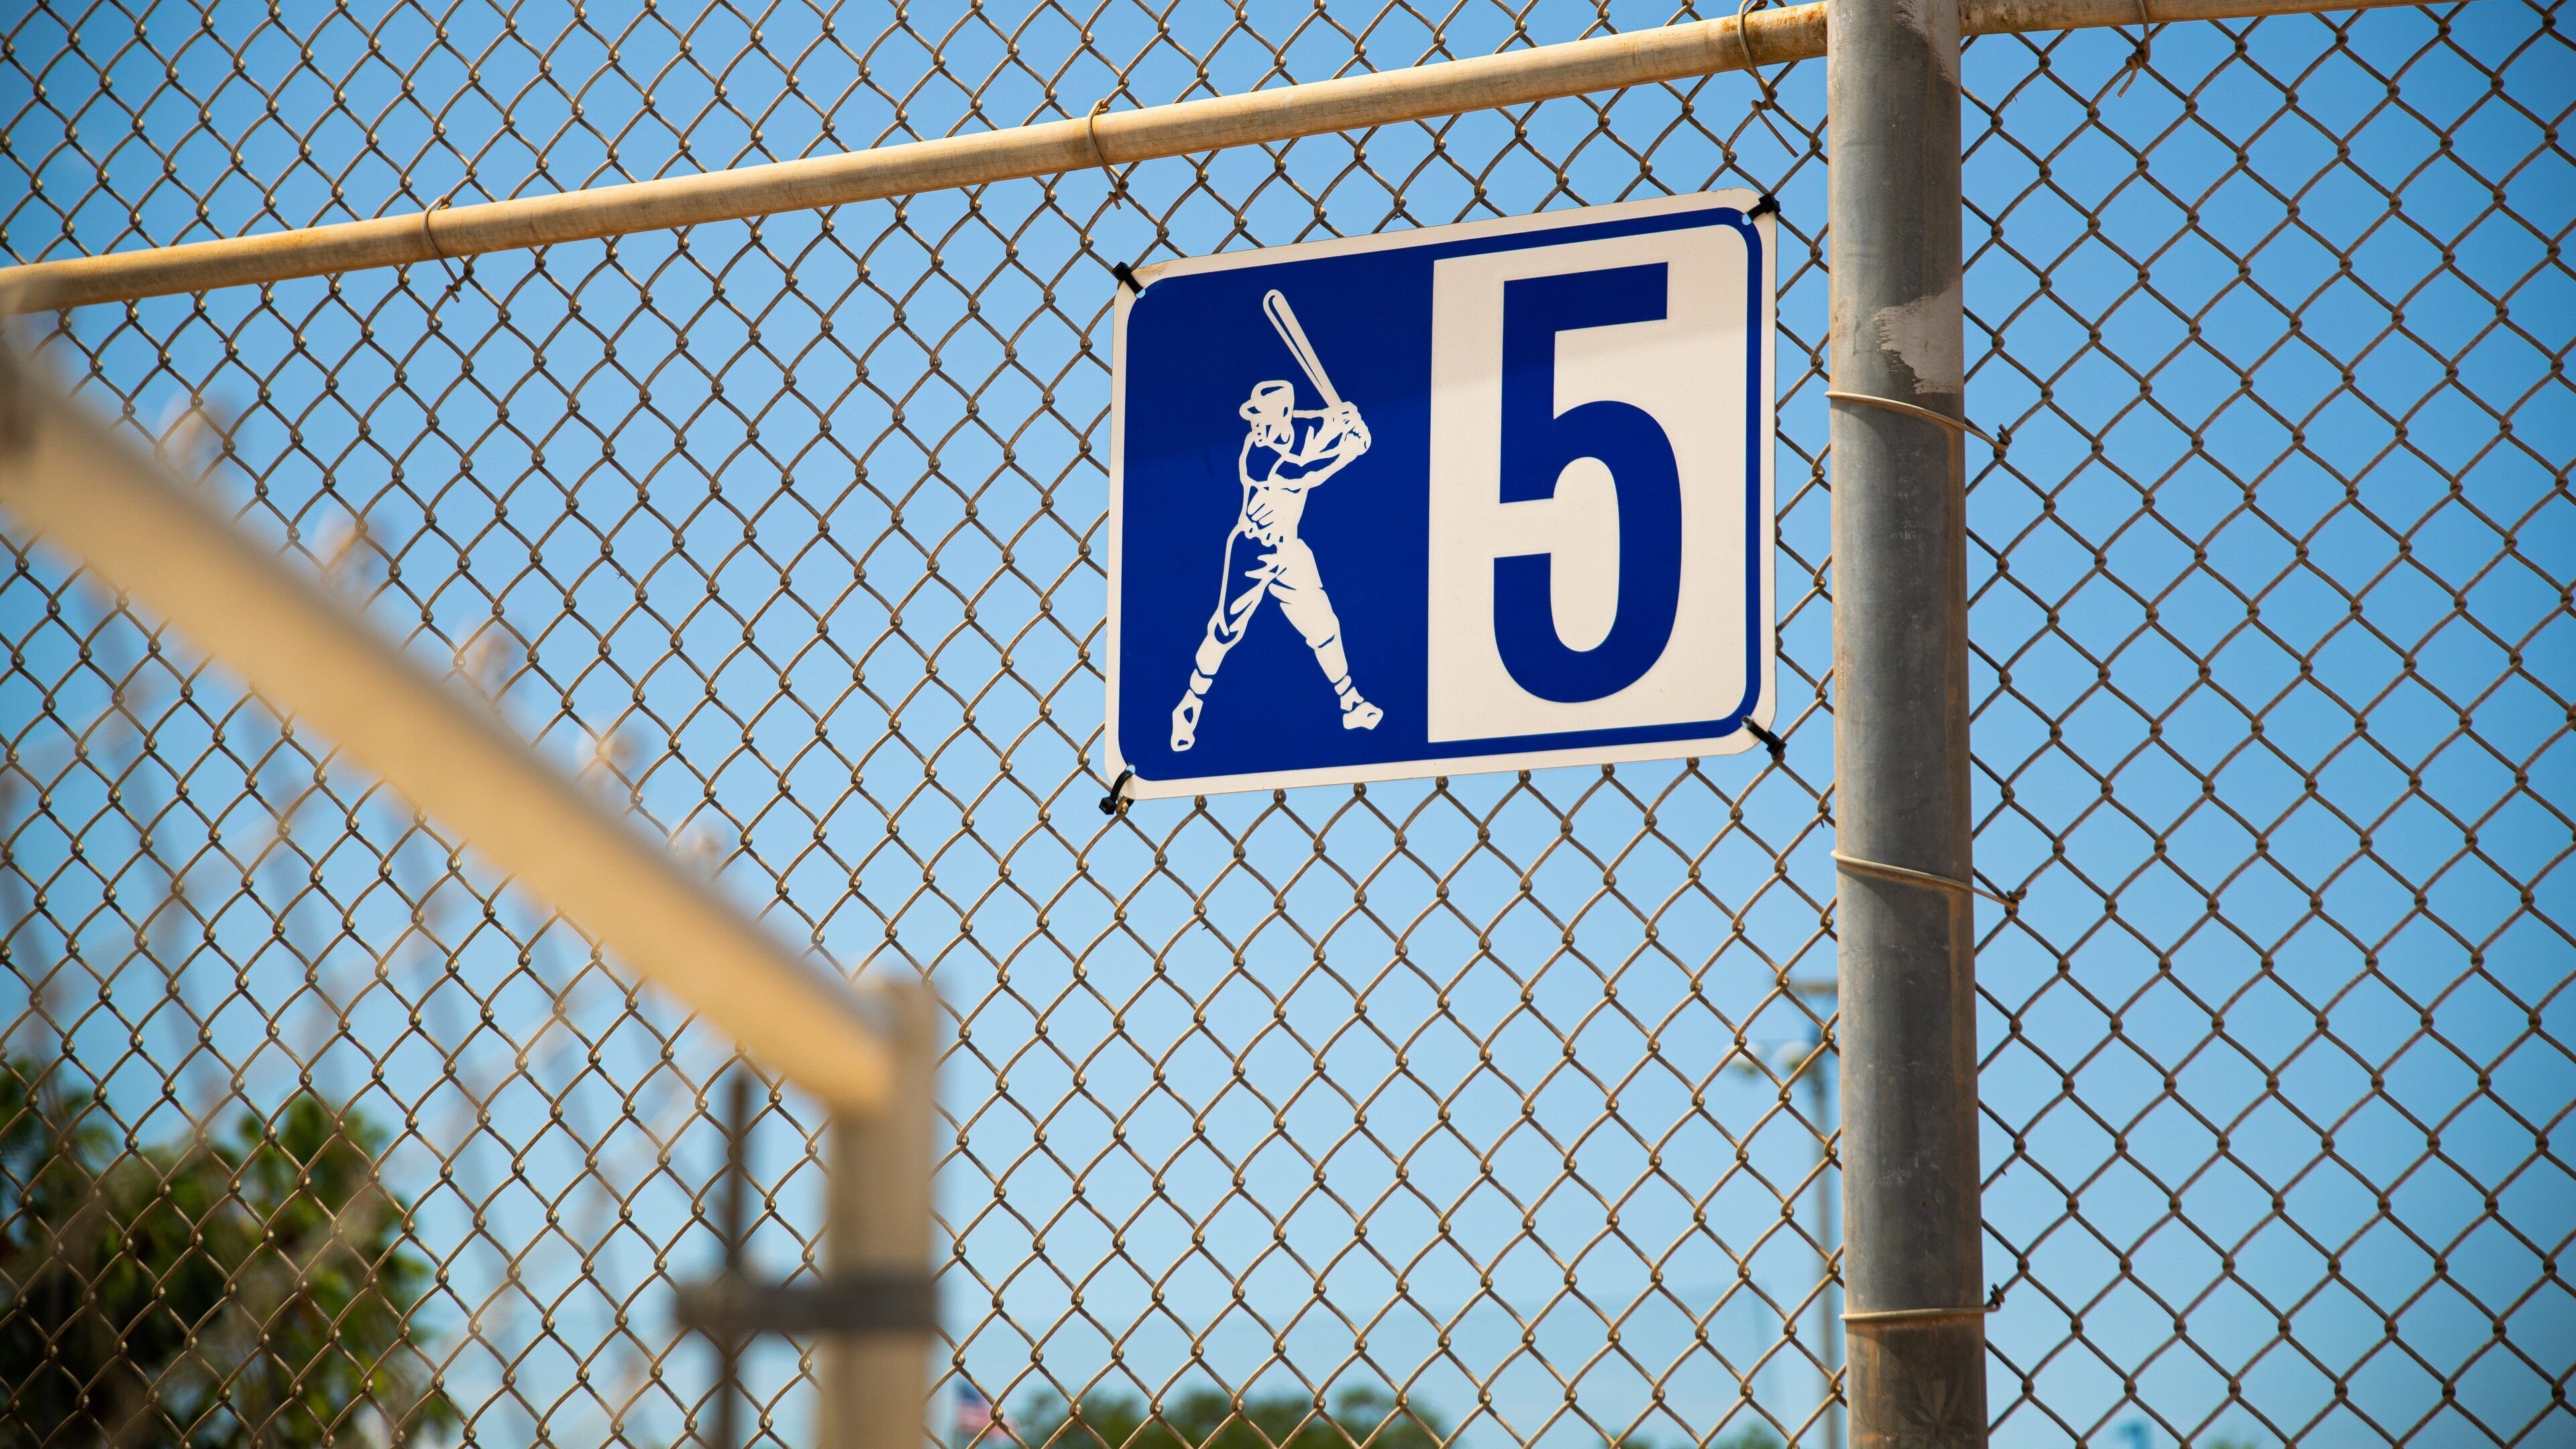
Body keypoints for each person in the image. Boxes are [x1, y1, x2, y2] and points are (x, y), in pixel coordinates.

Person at [1171, 379, 1381, 751]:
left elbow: (1320, 424)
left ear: (1285, 415)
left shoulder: (1299, 429)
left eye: (1263, 418)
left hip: (1289, 550)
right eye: (1254, 418)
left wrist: (1343, 417)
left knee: (1325, 624)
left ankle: (1350, 702)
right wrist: (1350, 449)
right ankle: (1189, 706)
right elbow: (1303, 473)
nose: (1256, 426)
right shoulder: (1258, 452)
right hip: (1253, 549)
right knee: (1225, 631)